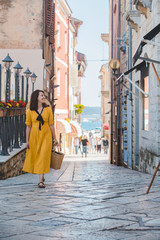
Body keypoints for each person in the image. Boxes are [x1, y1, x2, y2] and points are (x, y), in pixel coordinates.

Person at [22, 90, 58, 188]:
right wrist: (27, 140)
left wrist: (55, 138)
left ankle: (41, 180)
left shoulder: (48, 110)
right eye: (41, 95)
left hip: (46, 136)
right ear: (36, 97)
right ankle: (41, 177)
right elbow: (28, 126)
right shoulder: (30, 110)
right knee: (37, 157)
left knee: (43, 157)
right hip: (34, 136)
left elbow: (51, 125)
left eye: (44, 95)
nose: (43, 97)